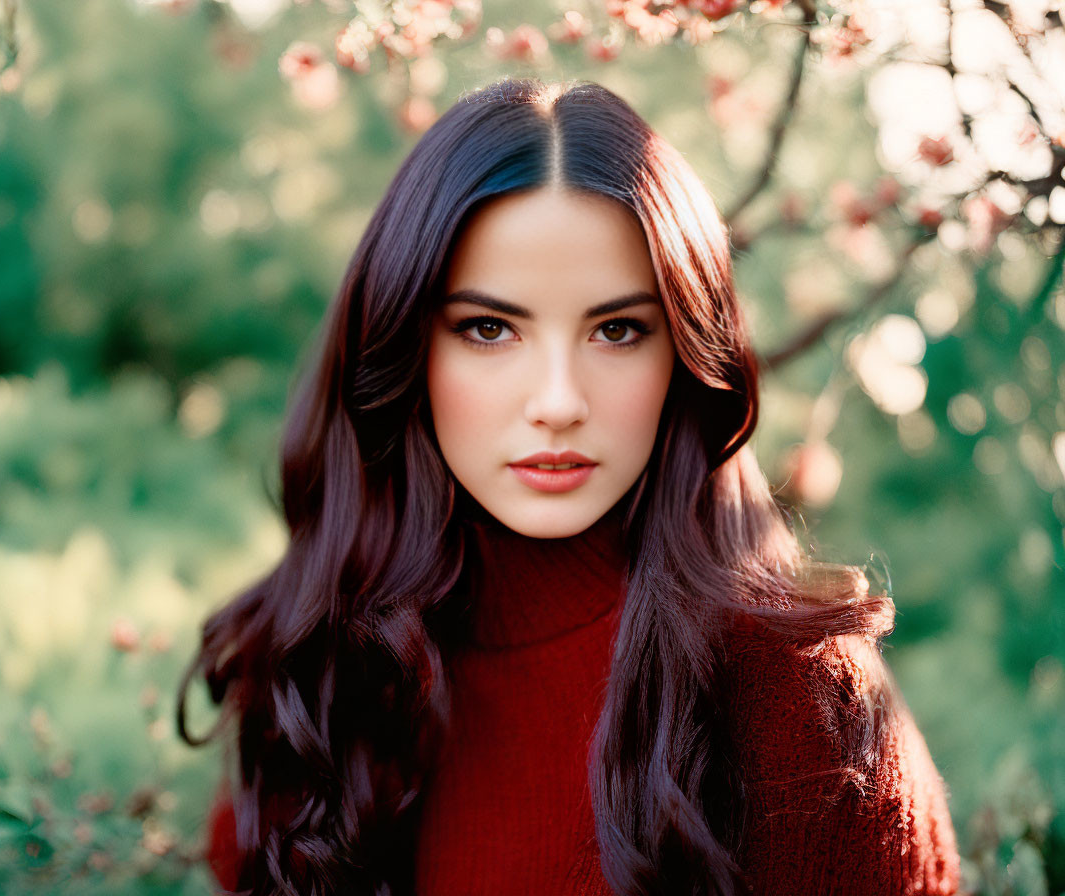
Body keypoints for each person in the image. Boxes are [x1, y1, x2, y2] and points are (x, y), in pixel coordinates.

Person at [176, 77, 961, 896]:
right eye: (489, 328)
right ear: (405, 348)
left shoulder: (793, 694)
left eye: (617, 330)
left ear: (684, 358)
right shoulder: (315, 678)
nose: (558, 402)